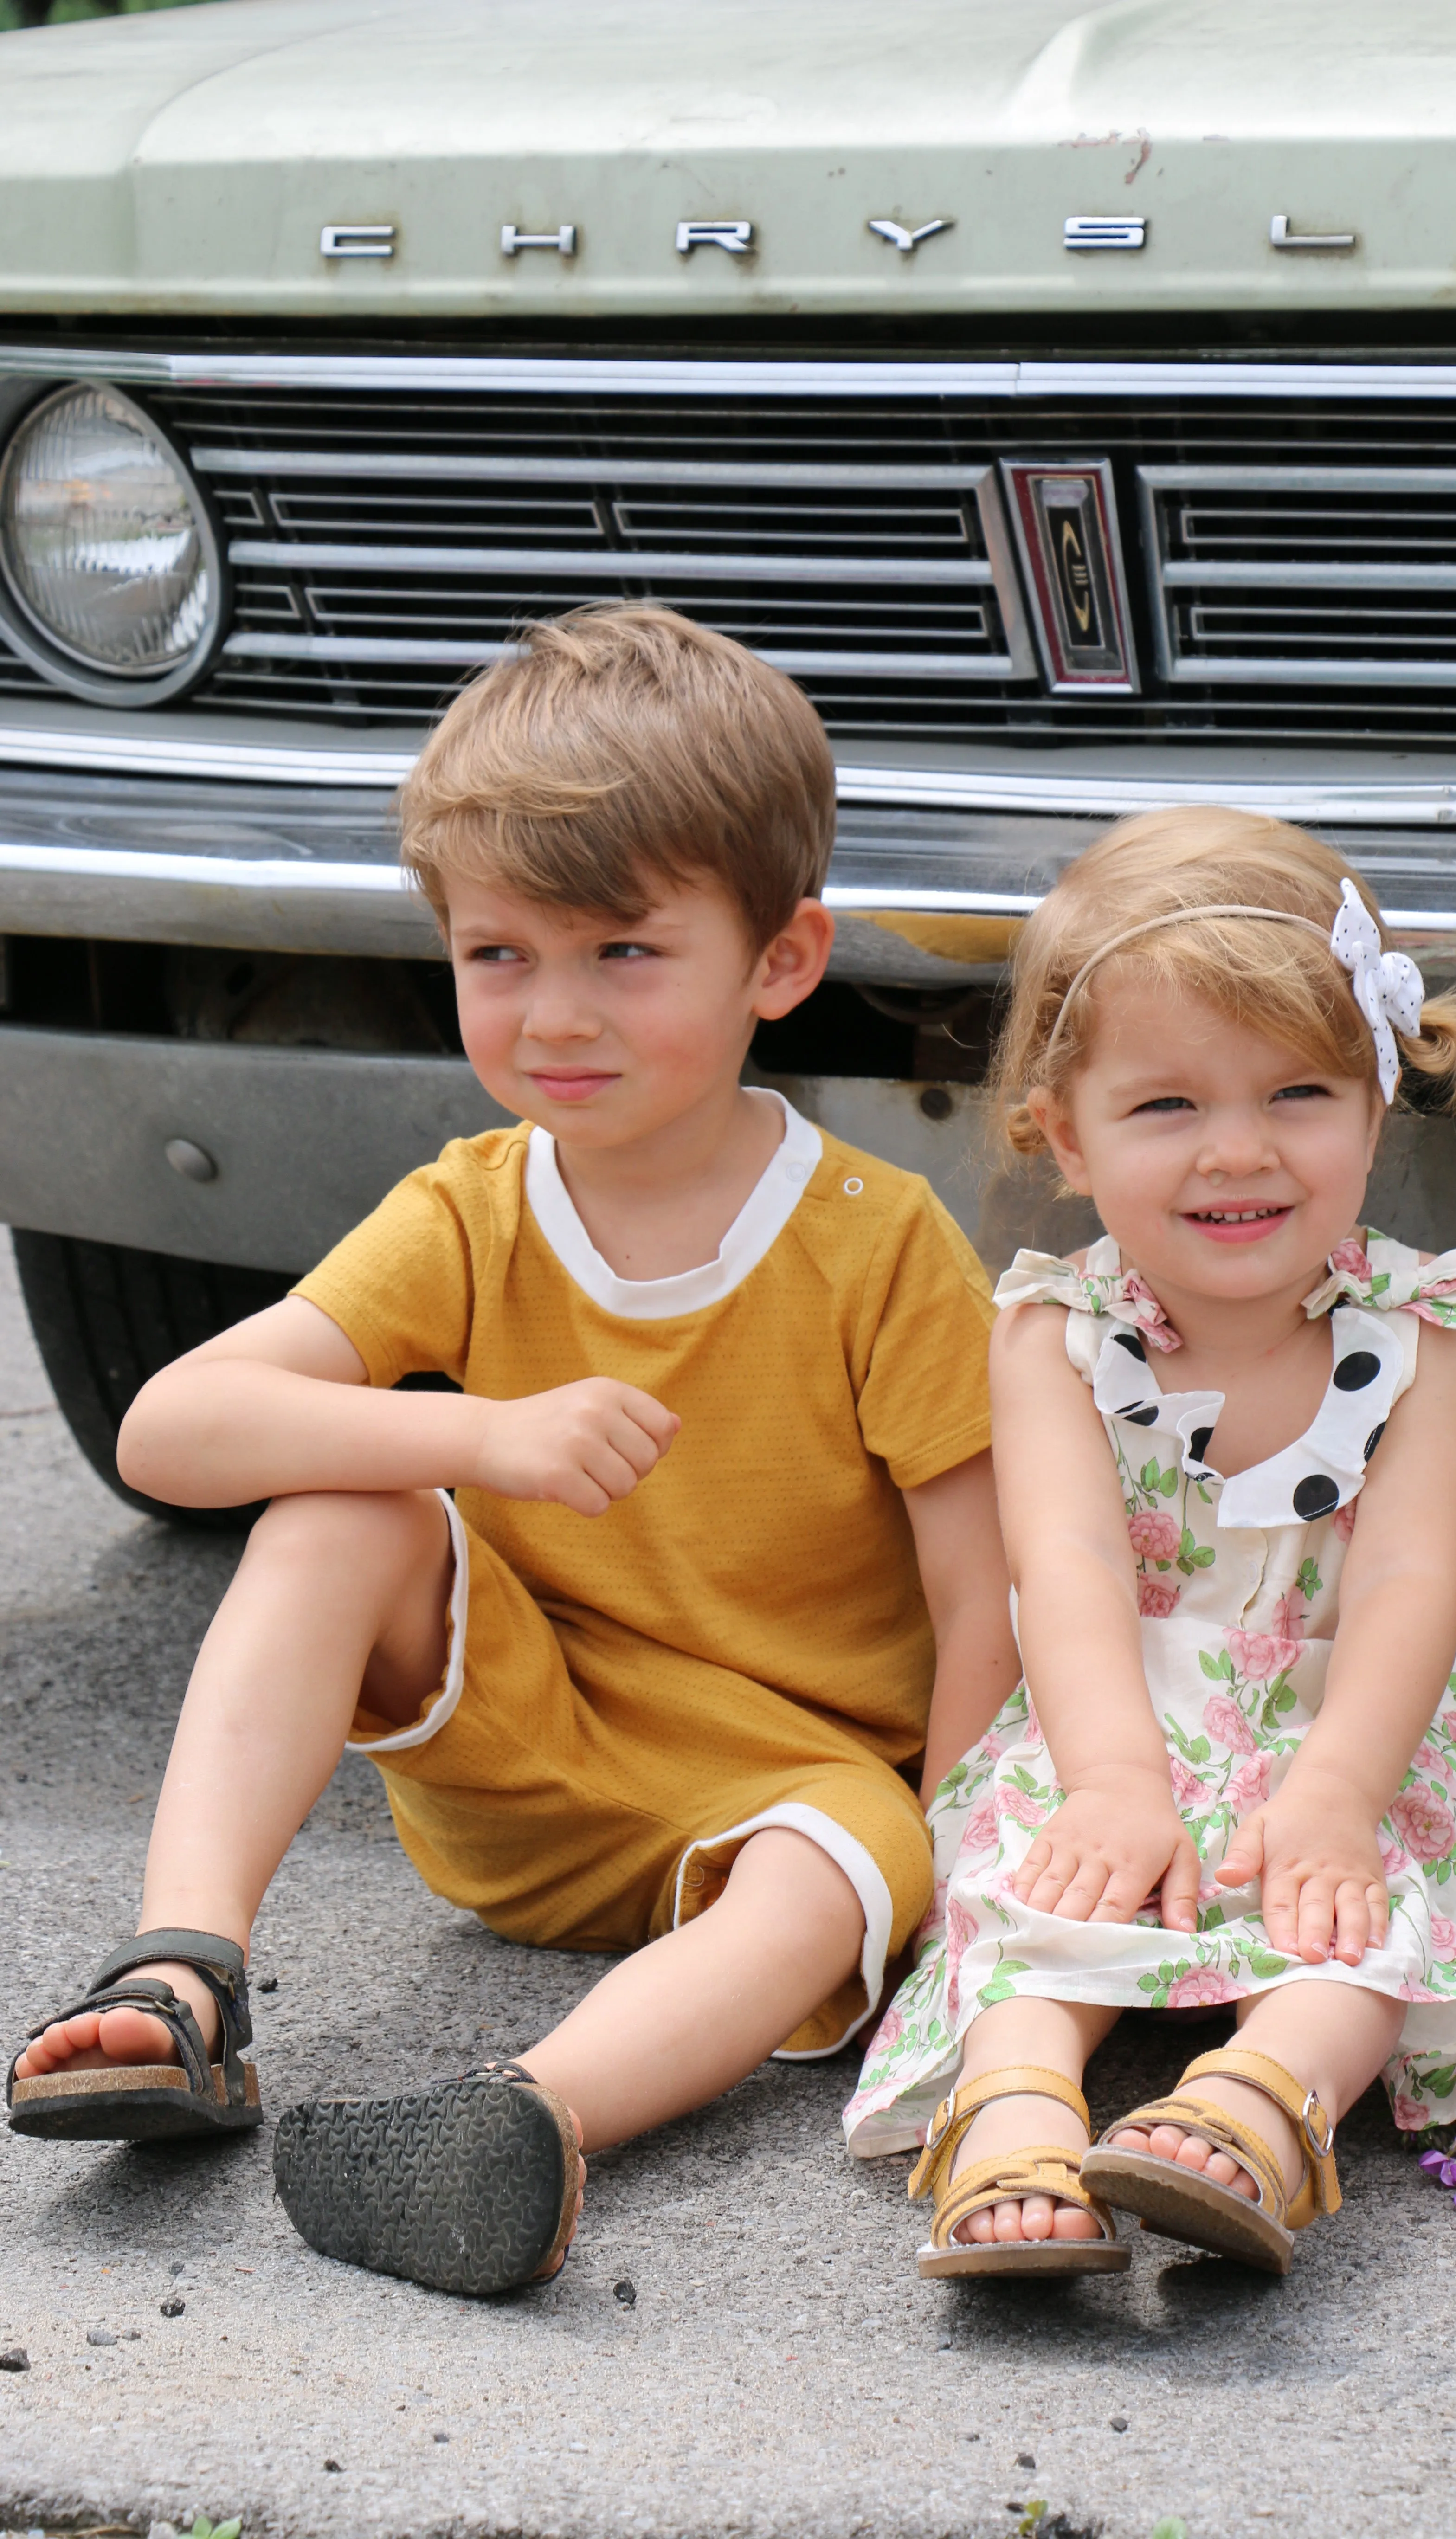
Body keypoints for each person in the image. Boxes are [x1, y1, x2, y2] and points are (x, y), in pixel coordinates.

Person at [7, 605, 1019, 2299]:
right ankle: (184, 1976)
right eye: (499, 956)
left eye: (624, 953)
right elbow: (168, 1431)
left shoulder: (880, 1244)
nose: (555, 1015)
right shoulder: (467, 1213)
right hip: (524, 1768)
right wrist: (479, 1432)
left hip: (794, 1792)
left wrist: (961, 1918)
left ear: (779, 960)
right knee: (345, 1490)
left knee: (841, 1860)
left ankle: (521, 2123)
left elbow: (982, 1602)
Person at [844, 806, 1456, 2279]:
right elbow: (1067, 1568)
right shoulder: (1061, 1327)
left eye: (1299, 1092)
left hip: (1361, 1705)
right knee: (1034, 1872)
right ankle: (1016, 2100)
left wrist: (1337, 1791)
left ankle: (1263, 2097)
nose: (1237, 1153)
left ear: (1377, 1105)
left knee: (1381, 1890)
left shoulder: (1424, 1325)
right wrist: (1114, 1780)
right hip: (1120, 1692)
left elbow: (1405, 1575)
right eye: (1166, 1107)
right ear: (1067, 1132)